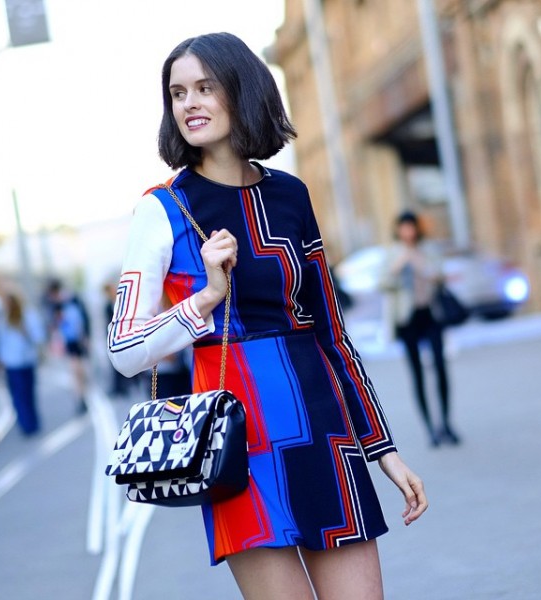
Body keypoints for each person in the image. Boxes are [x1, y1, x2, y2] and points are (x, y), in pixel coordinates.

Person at [107, 32, 427, 599]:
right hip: (235, 446)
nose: (190, 104)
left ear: (243, 91)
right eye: (178, 93)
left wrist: (384, 449)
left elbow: (332, 333)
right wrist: (205, 298)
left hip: (326, 433)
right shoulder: (160, 212)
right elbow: (125, 351)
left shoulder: (292, 195)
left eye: (205, 88)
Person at [382, 210, 460, 447]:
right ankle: (430, 429)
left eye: (411, 226)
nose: (408, 231)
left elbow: (440, 277)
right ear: (397, 230)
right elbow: (383, 283)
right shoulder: (392, 253)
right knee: (416, 373)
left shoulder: (429, 250)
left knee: (440, 367)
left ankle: (446, 423)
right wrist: (398, 265)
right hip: (407, 320)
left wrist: (421, 264)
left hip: (430, 315)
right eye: (404, 227)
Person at [0, 293, 45, 436]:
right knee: (19, 395)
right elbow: (1, 341)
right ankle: (27, 424)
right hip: (13, 363)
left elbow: (38, 336)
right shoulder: (3, 318)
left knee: (27, 393)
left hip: (26, 360)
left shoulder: (27, 315)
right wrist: (1, 358)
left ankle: (32, 422)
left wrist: (25, 331)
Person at [45, 280, 90, 414]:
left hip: (78, 338)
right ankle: (80, 398)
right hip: (69, 341)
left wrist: (86, 336)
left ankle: (83, 394)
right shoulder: (57, 305)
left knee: (81, 370)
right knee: (75, 370)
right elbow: (55, 325)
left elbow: (84, 317)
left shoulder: (72, 299)